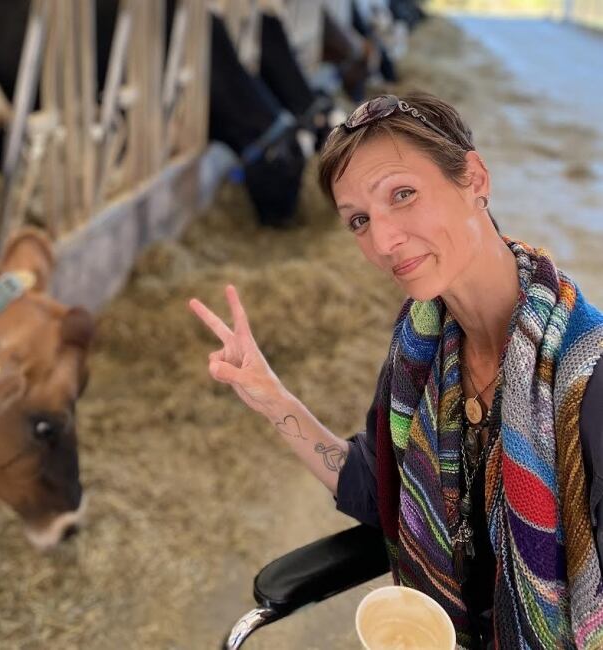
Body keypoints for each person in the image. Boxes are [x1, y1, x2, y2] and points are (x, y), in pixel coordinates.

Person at [188, 92, 603, 649]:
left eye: (402, 195)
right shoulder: (422, 344)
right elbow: (382, 491)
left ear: (475, 179)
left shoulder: (587, 379)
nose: (382, 241)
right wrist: (275, 400)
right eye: (359, 220)